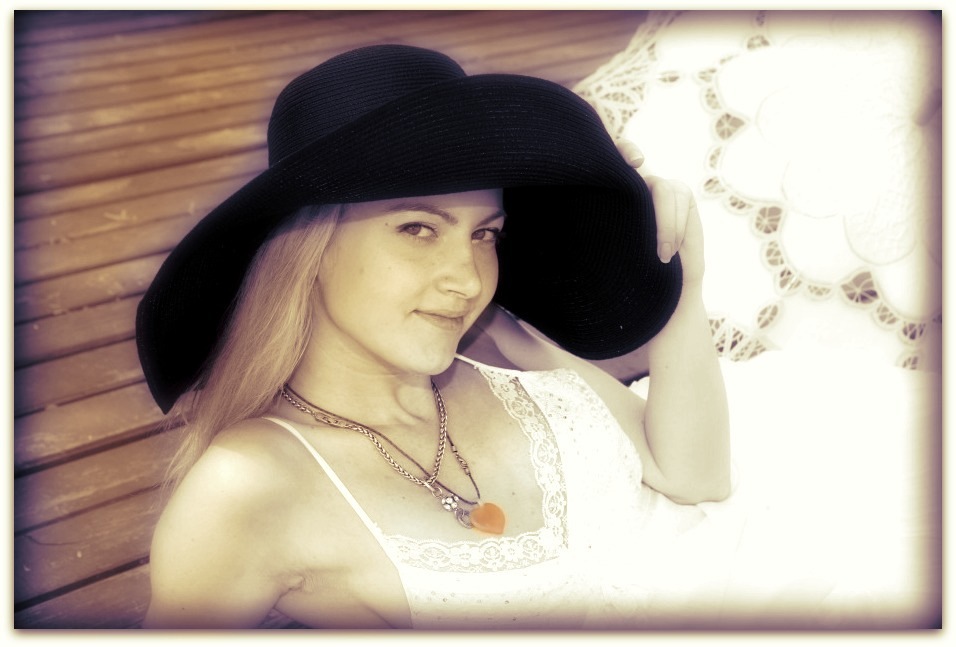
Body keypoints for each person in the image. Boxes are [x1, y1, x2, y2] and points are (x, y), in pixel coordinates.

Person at [135, 43, 730, 629]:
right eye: (418, 229)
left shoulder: (515, 375)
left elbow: (693, 477)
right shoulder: (248, 486)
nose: (468, 280)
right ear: (307, 249)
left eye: (485, 234)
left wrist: (679, 280)